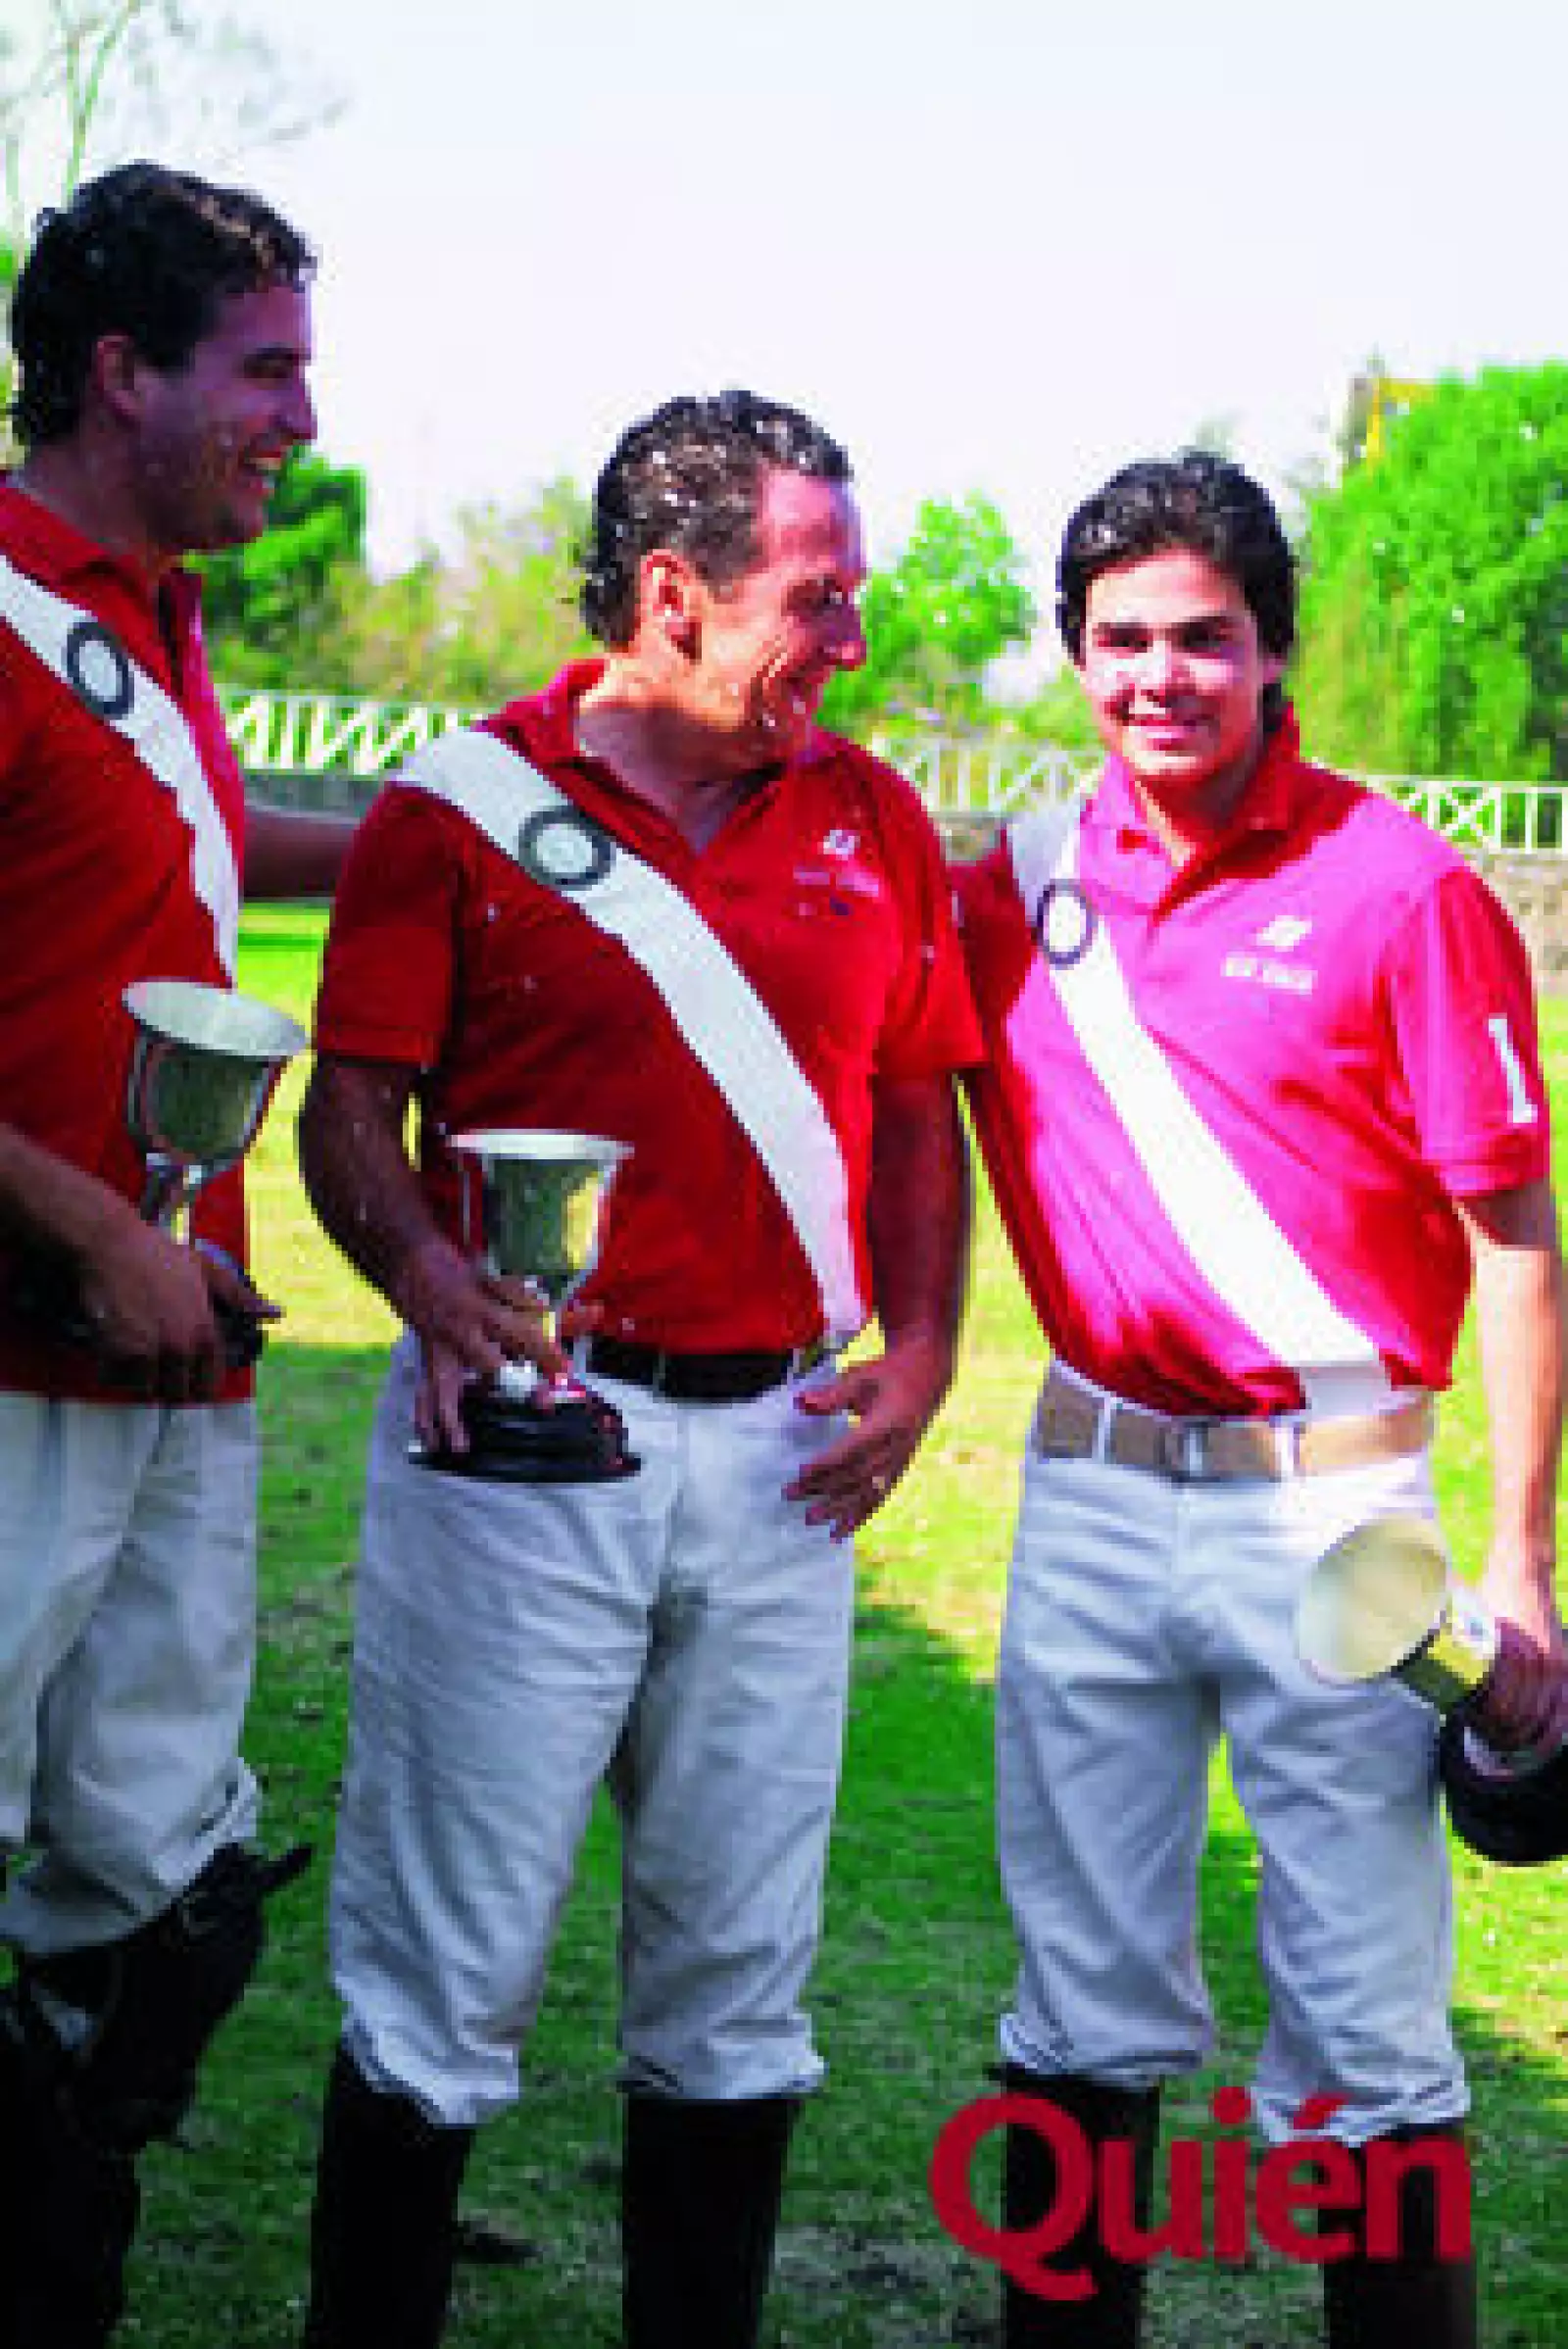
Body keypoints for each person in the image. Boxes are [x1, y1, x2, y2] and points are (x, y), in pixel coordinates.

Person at [293, 387, 978, 2349]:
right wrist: (433, 1279)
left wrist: (919, 1350)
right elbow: (351, 1111)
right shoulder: (454, 801)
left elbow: (922, 1106)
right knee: (435, 1993)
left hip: (782, 1461)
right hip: (519, 1462)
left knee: (738, 1996)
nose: (847, 645)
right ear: (672, 592)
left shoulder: (871, 813)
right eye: (814, 598)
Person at [956, 452, 1567, 2349]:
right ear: (1071, 657)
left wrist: (1524, 1556)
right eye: (1120, 638)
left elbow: (1521, 1240)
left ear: (1273, 647)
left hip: (1340, 1515)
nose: (1160, 676)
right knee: (1077, 2003)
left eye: (1203, 637)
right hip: (1088, 1493)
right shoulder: (1014, 889)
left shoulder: (1406, 888)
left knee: (1371, 2028)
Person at [0, 162, 355, 2347]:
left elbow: (198, 855)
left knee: (153, 1904)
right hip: (18, 1362)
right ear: (120, 370)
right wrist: (72, 1224)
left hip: (174, 1361)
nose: (304, 417)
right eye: (270, 369)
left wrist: (481, 822)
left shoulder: (160, 619)